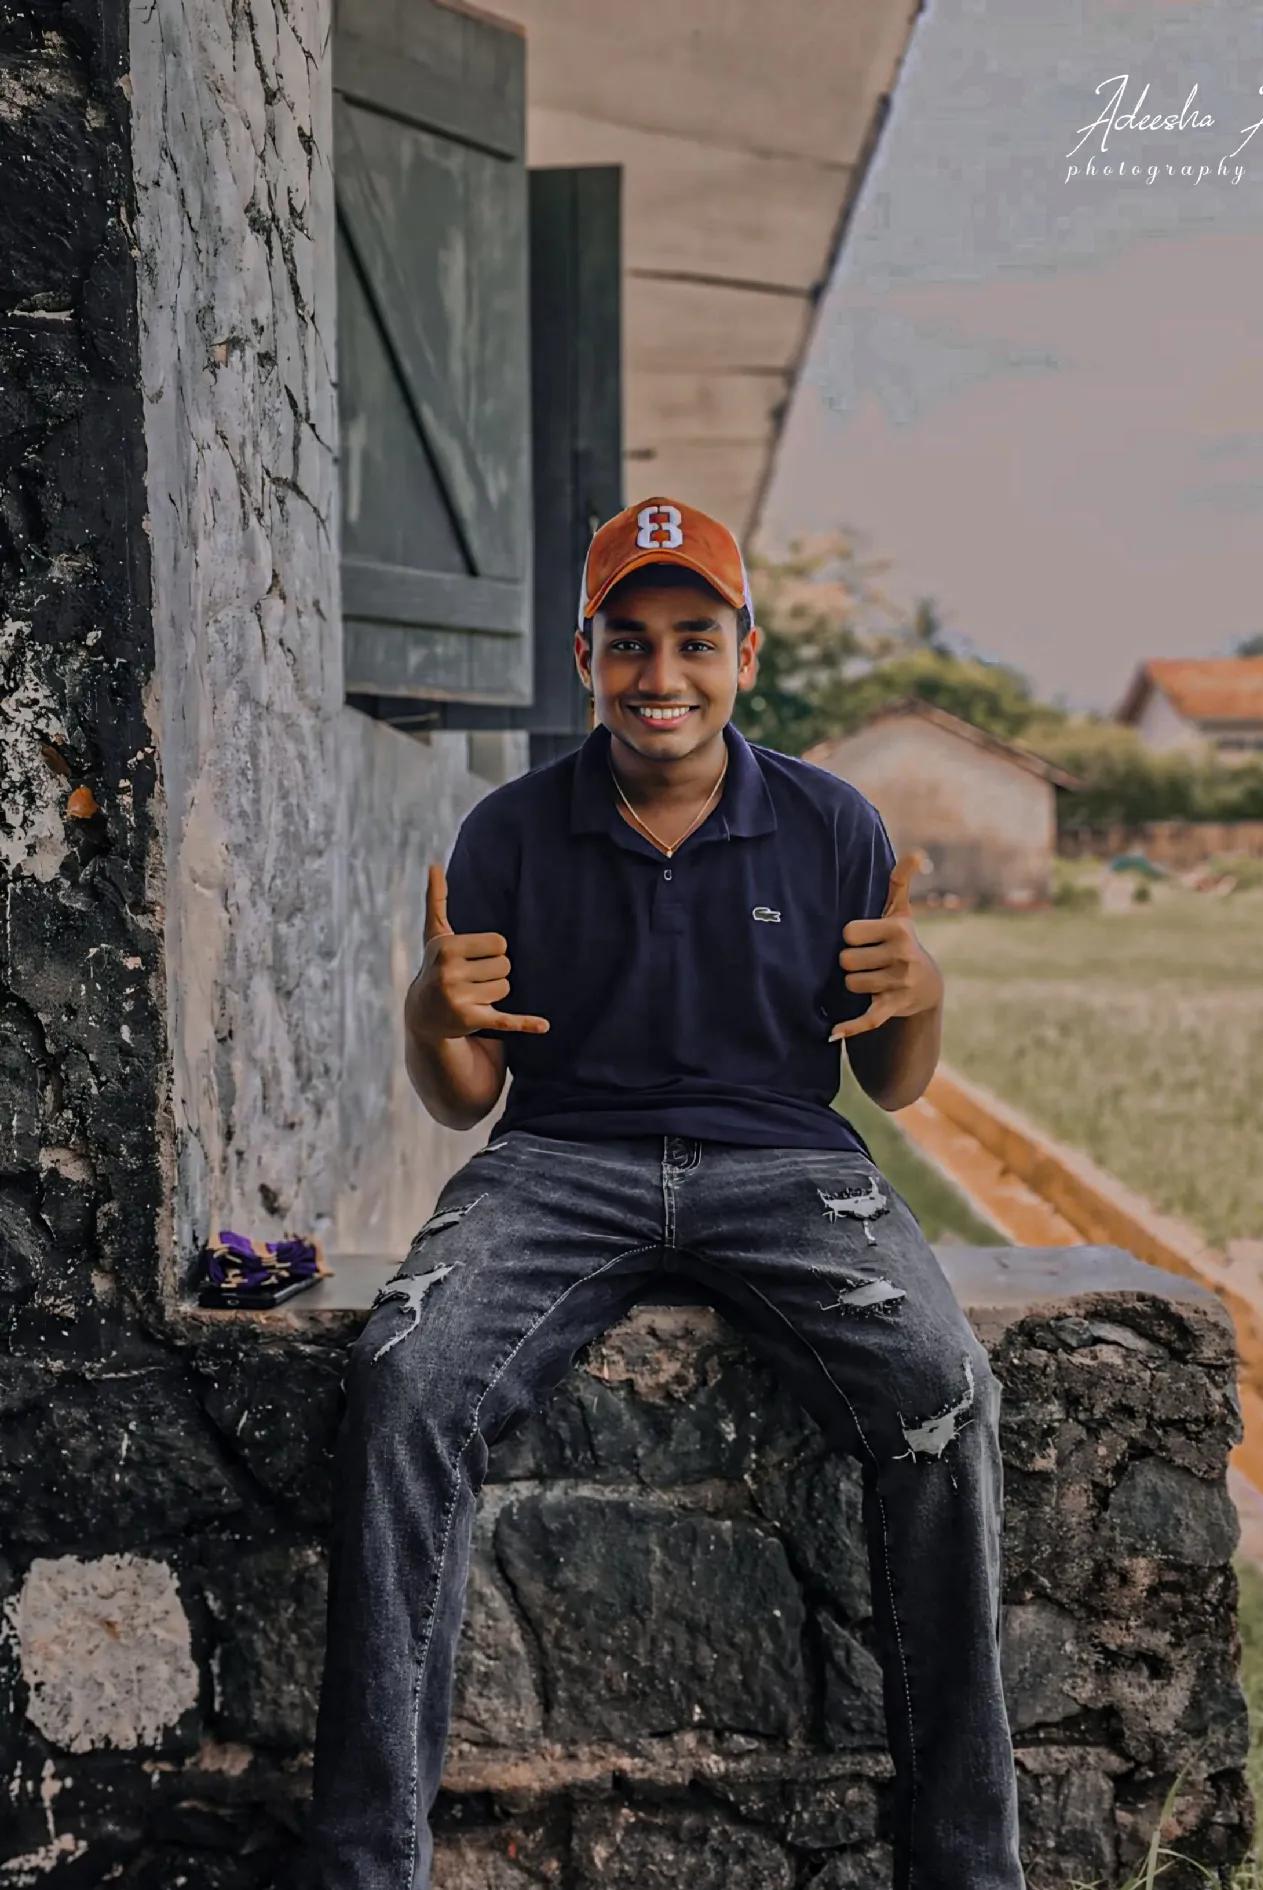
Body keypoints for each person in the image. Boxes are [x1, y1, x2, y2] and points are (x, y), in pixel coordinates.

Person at [305, 497, 1025, 1890]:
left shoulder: (833, 823)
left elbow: (891, 1082)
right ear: (584, 656)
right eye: (628, 641)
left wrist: (924, 996)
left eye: (696, 638)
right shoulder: (512, 831)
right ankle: (360, 1863)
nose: (661, 674)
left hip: (789, 1168)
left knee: (944, 1393)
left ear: (746, 653)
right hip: (559, 1164)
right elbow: (465, 1094)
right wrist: (426, 1011)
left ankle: (966, 1864)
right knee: (404, 1382)